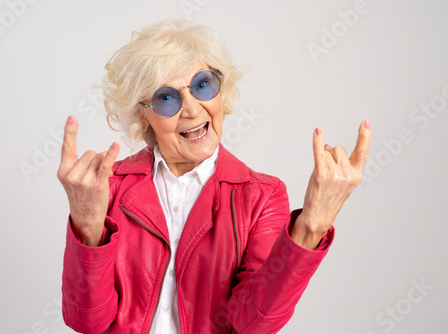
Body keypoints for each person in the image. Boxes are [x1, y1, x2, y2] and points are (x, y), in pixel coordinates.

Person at [57, 19, 371, 334]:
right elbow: (87, 321)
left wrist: (312, 226)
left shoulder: (262, 196)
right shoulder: (107, 188)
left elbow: (254, 323)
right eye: (167, 97)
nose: (193, 110)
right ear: (144, 114)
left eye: (202, 85)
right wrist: (87, 227)